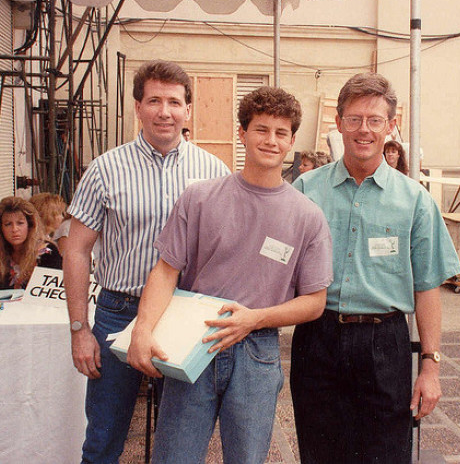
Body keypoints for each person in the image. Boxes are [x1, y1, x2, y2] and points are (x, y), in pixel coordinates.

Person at [127, 86, 333, 464]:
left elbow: (315, 302)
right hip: (193, 341)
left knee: (247, 458)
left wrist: (255, 319)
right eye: (261, 129)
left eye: (281, 133)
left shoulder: (307, 216)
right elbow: (165, 271)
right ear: (242, 133)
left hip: (256, 351)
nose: (270, 140)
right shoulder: (199, 198)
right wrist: (143, 330)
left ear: (291, 141)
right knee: (174, 457)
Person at [63, 60, 230, 463]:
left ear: (188, 109)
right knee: (103, 437)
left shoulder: (214, 172)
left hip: (183, 316)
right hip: (119, 312)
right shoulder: (105, 169)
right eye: (154, 100)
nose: (164, 111)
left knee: (181, 443)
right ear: (137, 107)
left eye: (174, 101)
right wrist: (79, 329)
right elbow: (76, 249)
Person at [290, 72, 460, 464]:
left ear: (391, 124)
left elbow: (427, 287)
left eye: (374, 120)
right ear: (338, 123)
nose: (363, 130)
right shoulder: (305, 191)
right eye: (354, 119)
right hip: (317, 339)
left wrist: (430, 368)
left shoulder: (415, 201)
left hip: (385, 345)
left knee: (385, 454)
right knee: (319, 453)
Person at [0, 196, 62, 292]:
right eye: (8, 224)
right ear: (0, 228)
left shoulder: (48, 252)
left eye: (20, 223)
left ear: (30, 225)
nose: (14, 229)